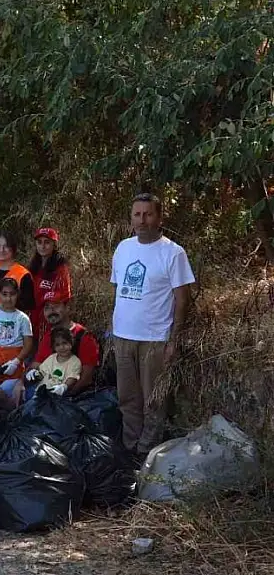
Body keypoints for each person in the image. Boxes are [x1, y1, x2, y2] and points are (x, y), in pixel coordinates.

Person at [110, 192, 194, 457]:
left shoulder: (173, 253)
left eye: (148, 214)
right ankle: (130, 447)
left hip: (155, 339)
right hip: (123, 336)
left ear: (159, 217)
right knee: (127, 398)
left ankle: (147, 454)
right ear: (131, 217)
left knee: (153, 401)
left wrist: (174, 340)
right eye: (137, 214)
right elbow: (117, 288)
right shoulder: (123, 248)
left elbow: (183, 300)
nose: (142, 220)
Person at [30, 293, 100, 395]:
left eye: (56, 306)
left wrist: (66, 395)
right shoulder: (48, 336)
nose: (51, 311)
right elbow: (37, 364)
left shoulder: (84, 337)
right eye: (47, 308)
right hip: (44, 391)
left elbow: (86, 378)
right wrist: (25, 379)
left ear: (68, 308)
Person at [0, 278, 34, 402]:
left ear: (17, 295)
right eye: (4, 294)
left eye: (12, 294)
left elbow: (28, 344)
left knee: (10, 398)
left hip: (14, 359)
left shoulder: (23, 318)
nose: (8, 298)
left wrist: (16, 361)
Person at [0, 230, 35, 344]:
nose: (1, 250)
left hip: (10, 338)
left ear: (13, 248)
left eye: (6, 246)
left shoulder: (23, 274)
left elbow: (27, 308)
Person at [12, 327, 81, 404]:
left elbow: (72, 377)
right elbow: (42, 373)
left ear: (71, 343)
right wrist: (35, 374)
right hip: (40, 393)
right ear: (54, 347)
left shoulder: (75, 361)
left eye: (64, 343)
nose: (62, 347)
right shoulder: (52, 358)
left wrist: (64, 387)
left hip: (58, 397)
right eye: (58, 345)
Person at [28, 227, 72, 335]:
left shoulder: (60, 269)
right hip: (32, 319)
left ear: (54, 245)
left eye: (47, 242)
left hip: (51, 319)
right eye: (39, 242)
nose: (42, 246)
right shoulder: (33, 268)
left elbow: (65, 296)